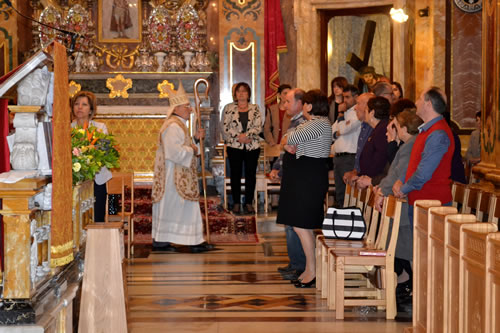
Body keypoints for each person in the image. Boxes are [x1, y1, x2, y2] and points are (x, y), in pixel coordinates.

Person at [277, 89, 332, 288]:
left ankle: (312, 270)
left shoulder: (319, 124)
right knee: (301, 226)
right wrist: (287, 143)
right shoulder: (314, 124)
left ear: (309, 106)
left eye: (306, 103)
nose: (304, 106)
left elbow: (289, 139)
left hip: (308, 179)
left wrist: (287, 142)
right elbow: (286, 139)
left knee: (303, 225)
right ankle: (310, 269)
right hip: (303, 178)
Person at [151, 82, 213, 253]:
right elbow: (173, 152)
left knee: (183, 209)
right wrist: (192, 148)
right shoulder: (172, 126)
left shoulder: (178, 125)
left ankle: (193, 240)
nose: (190, 109)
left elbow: (184, 147)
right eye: (186, 106)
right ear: (176, 109)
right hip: (174, 178)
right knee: (178, 208)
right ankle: (165, 242)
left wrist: (194, 139)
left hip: (179, 176)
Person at [373, 108, 423, 312]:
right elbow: (394, 172)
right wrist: (382, 189)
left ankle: (412, 286)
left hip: (406, 204)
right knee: (402, 247)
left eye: (396, 125)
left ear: (402, 128)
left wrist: (381, 191)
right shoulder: (406, 145)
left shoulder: (410, 146)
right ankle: (406, 283)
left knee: (408, 248)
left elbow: (399, 173)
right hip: (399, 201)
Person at [393, 87, 455, 227]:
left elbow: (424, 173)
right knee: (419, 248)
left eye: (420, 98)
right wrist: (400, 180)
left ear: (428, 104)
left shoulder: (438, 133)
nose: (416, 102)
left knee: (428, 249)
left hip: (432, 203)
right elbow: (414, 162)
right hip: (421, 201)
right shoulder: (426, 130)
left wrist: (404, 189)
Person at [270, 88, 308, 281]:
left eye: (288, 102)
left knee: (295, 223)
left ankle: (300, 265)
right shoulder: (294, 122)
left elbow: (292, 148)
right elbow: (284, 149)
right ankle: (295, 262)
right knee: (289, 223)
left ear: (300, 103)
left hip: (297, 178)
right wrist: (277, 166)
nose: (284, 106)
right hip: (290, 176)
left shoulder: (304, 123)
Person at [222, 82, 263, 215]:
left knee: (251, 174)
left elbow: (258, 126)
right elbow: (226, 127)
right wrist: (239, 137)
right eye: (239, 91)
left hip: (252, 146)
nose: (241, 93)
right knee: (235, 174)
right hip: (235, 146)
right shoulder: (229, 108)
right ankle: (236, 203)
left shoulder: (255, 108)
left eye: (244, 91)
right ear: (235, 94)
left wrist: (248, 136)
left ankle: (249, 202)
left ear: (248, 94)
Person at [71, 91, 111, 223]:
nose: (80, 107)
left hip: (97, 179)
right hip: (74, 181)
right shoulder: (67, 128)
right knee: (76, 218)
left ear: (91, 109)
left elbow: (104, 152)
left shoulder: (100, 128)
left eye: (84, 104)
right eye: (76, 104)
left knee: (96, 216)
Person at [331, 84, 360, 206]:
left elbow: (343, 130)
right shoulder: (344, 114)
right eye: (344, 97)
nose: (345, 100)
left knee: (348, 195)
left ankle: (347, 221)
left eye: (348, 97)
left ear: (356, 97)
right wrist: (338, 130)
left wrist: (341, 115)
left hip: (349, 158)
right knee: (340, 194)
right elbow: (332, 131)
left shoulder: (357, 114)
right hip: (338, 157)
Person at [355, 96, 391, 189]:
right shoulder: (378, 129)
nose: (364, 113)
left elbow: (380, 158)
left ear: (372, 113)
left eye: (366, 110)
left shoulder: (382, 130)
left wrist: (369, 177)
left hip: (375, 180)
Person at [342, 92, 375, 185]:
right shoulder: (364, 125)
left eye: (358, 103)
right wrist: (354, 171)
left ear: (367, 106)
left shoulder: (374, 127)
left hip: (369, 179)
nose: (355, 108)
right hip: (361, 177)